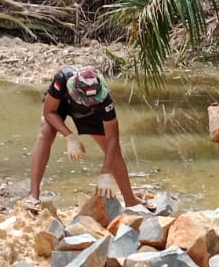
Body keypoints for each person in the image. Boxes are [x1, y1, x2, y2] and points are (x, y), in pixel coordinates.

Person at [26, 65, 139, 207]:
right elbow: (48, 112)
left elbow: (113, 139)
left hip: (90, 113)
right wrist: (70, 137)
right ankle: (33, 194)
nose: (86, 102)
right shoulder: (62, 79)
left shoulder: (104, 99)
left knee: (112, 150)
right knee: (46, 131)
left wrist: (105, 173)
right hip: (61, 105)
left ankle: (130, 200)